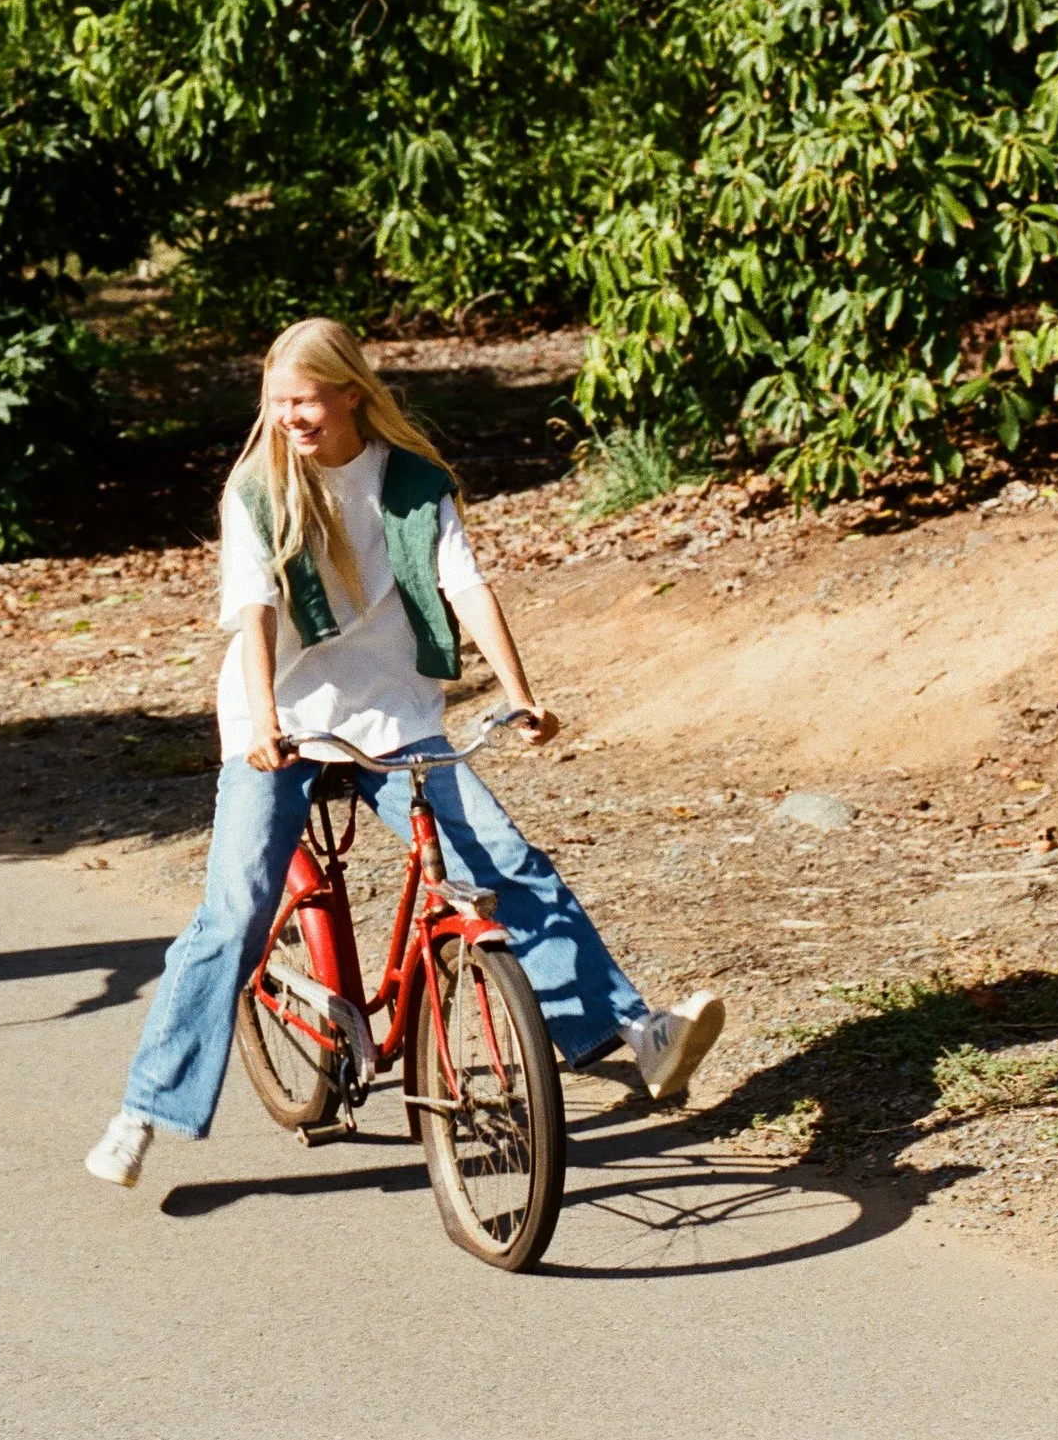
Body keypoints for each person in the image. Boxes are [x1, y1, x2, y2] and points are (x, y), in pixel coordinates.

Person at [86, 317, 723, 1187]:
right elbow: (255, 613)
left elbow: (466, 584)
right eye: (278, 403)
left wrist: (519, 691)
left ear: (351, 391)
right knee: (233, 911)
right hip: (282, 720)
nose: (291, 418)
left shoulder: (415, 483)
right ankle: (146, 1109)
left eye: (305, 400)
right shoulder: (258, 489)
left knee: (503, 860)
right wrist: (266, 717)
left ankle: (638, 1035)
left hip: (392, 716)